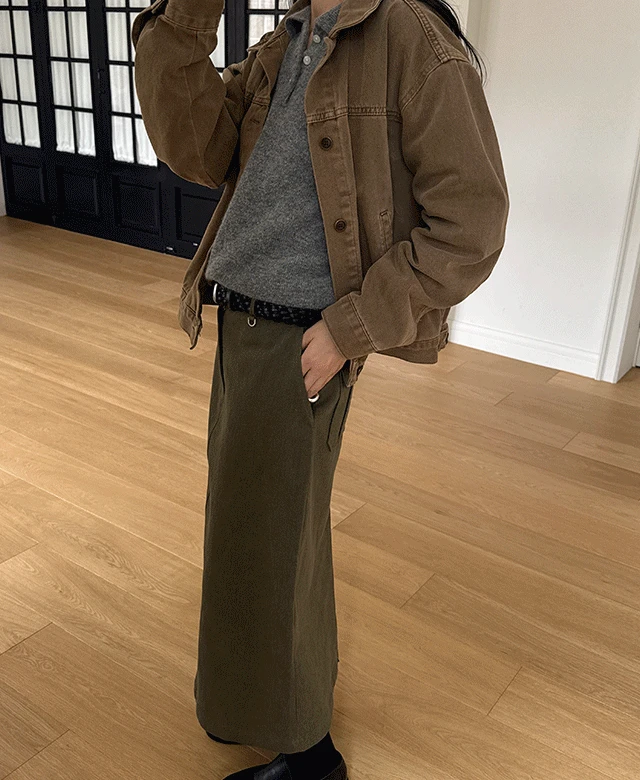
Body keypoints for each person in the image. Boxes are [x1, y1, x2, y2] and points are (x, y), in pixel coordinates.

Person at [132, 0, 509, 778]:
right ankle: (254, 707)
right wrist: (187, 17)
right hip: (242, 322)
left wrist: (353, 327)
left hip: (301, 338)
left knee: (270, 545)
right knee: (257, 534)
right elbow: (197, 148)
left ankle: (308, 757)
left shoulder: (411, 38)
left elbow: (471, 223)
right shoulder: (291, 38)